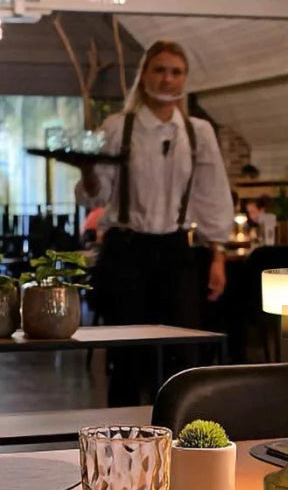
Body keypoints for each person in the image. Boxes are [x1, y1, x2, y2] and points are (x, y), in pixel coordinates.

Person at [76, 39, 234, 406]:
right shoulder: (119, 127)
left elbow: (212, 194)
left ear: (185, 79)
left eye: (176, 72)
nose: (167, 79)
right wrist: (87, 172)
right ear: (144, 75)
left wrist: (218, 256)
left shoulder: (198, 132)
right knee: (128, 357)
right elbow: (95, 196)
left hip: (175, 249)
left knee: (185, 352)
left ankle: (181, 429)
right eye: (159, 70)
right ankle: (122, 435)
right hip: (125, 250)